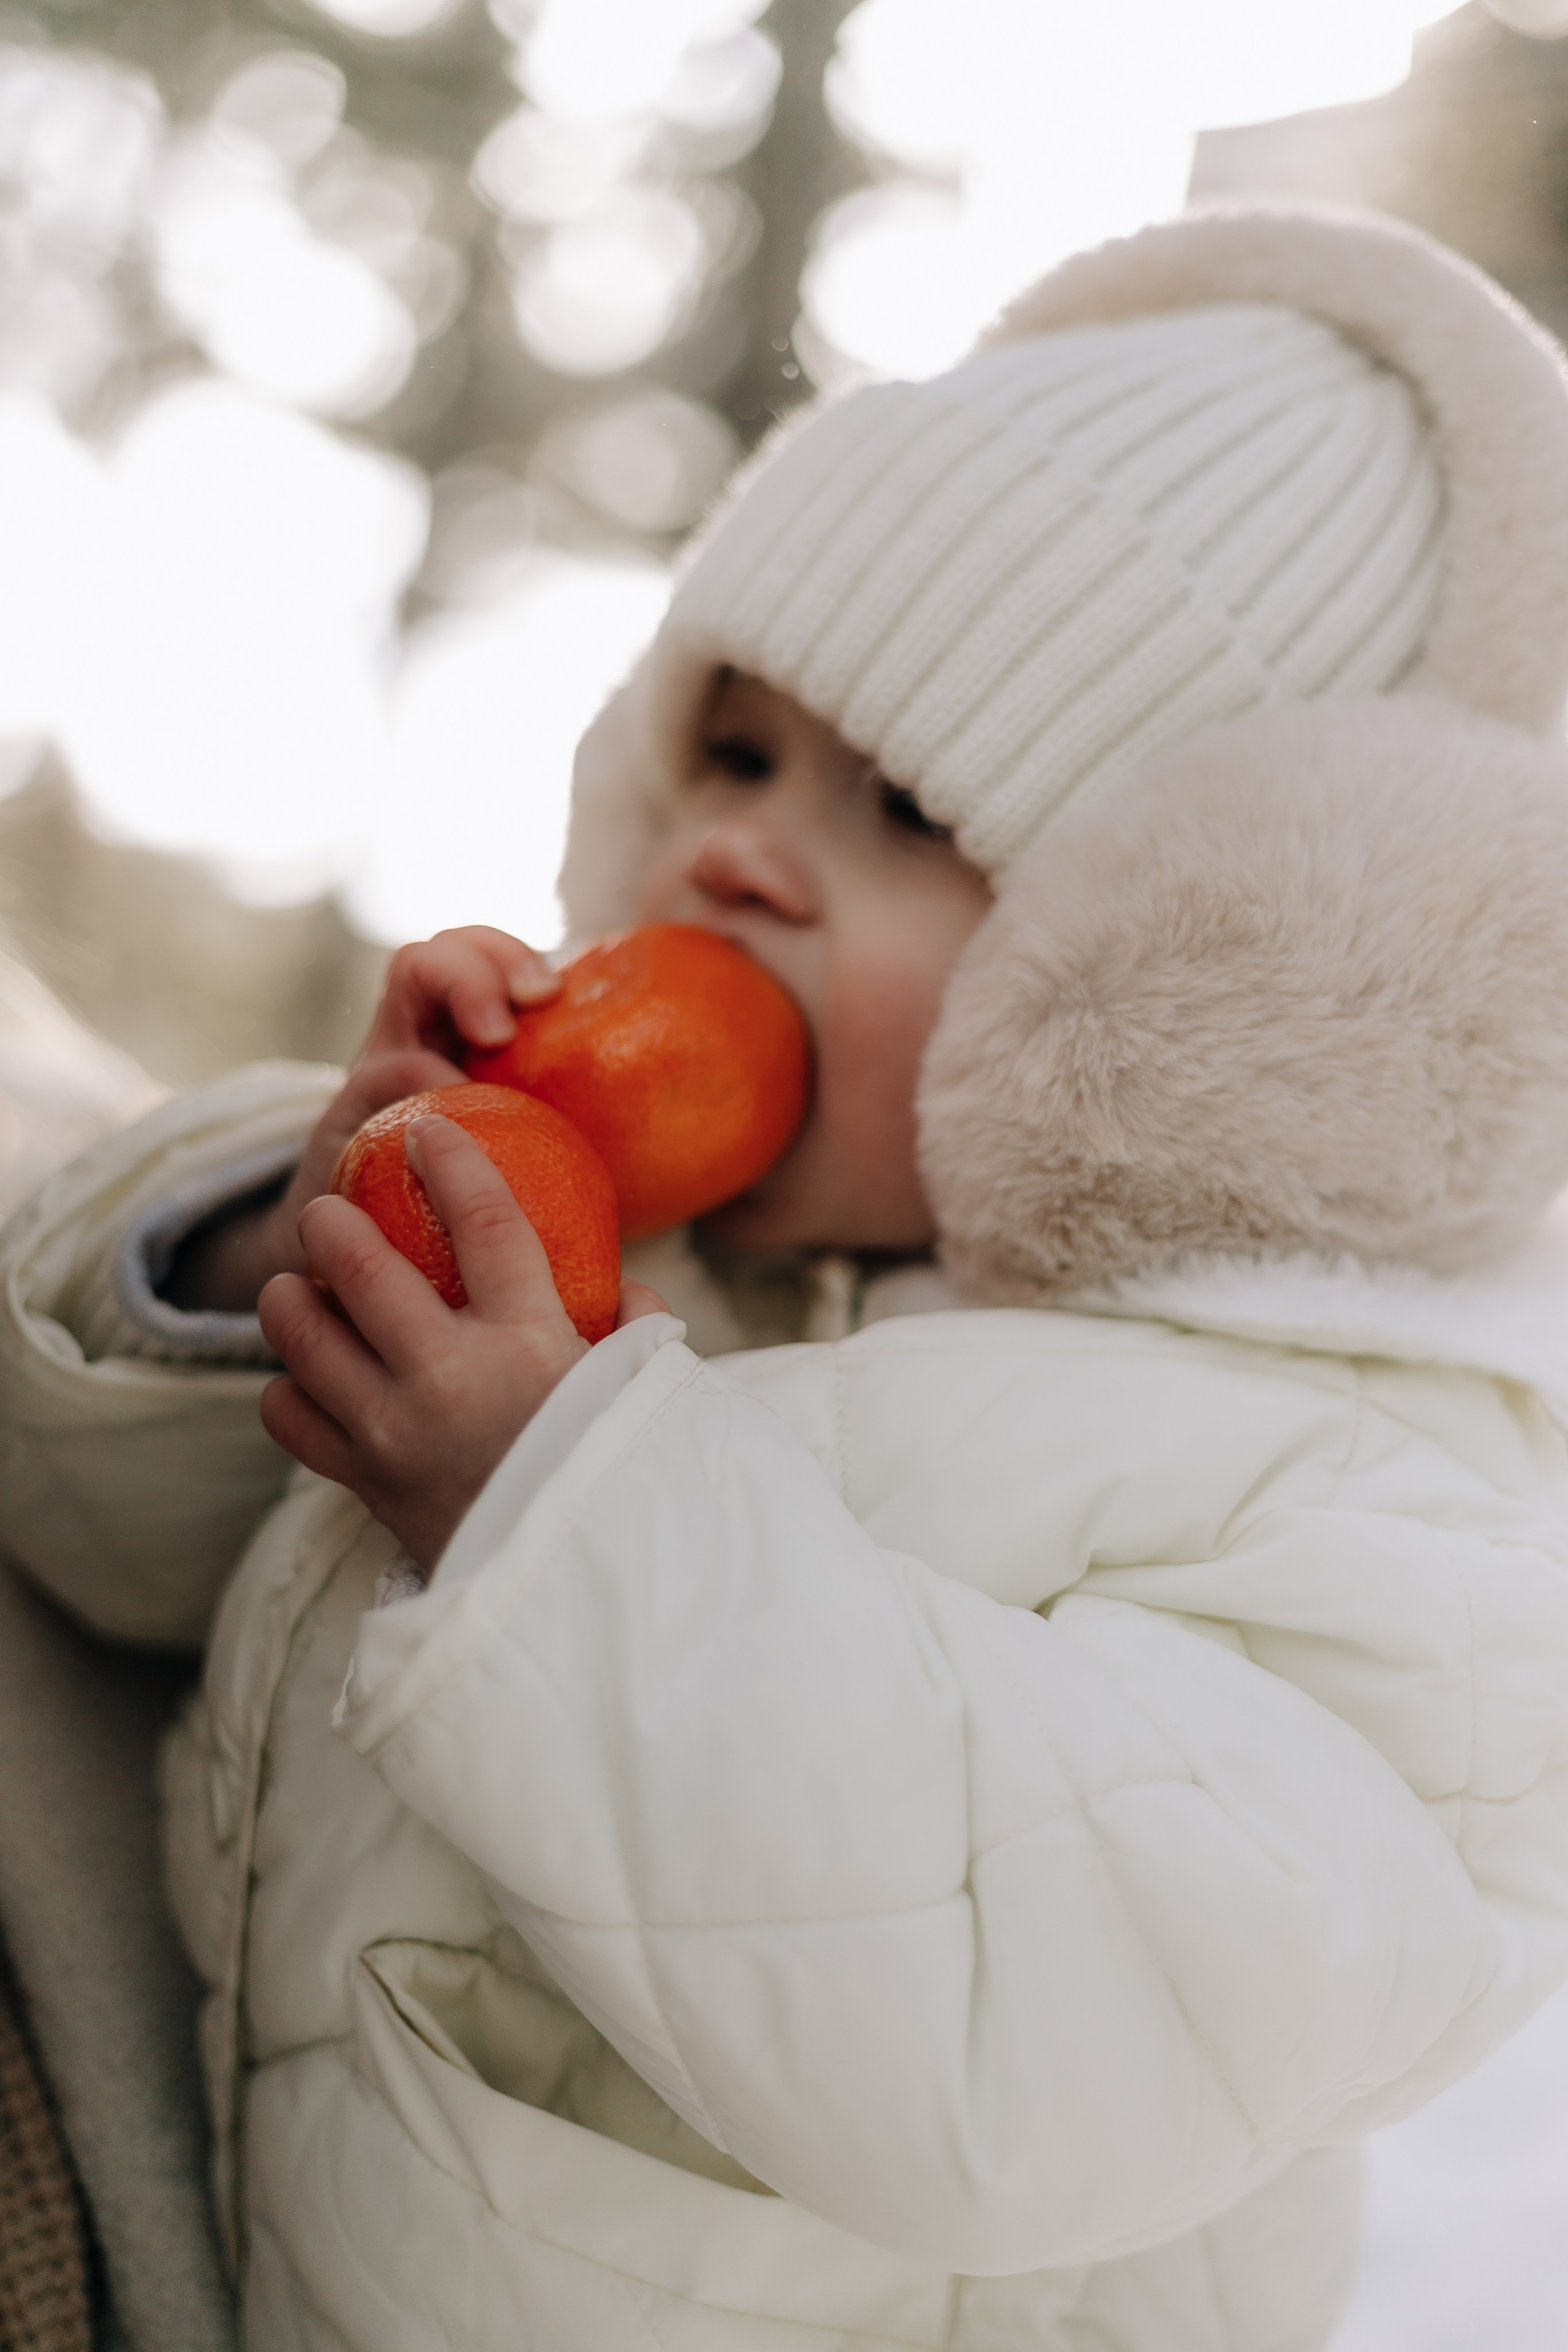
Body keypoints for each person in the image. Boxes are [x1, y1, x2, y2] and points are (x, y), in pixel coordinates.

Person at [6, 203, 1568, 2351]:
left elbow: (1053, 2037)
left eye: (909, 803)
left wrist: (555, 1521)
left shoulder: (1367, 1506)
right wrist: (293, 1247)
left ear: (1208, 961)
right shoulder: (629, 1280)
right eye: (730, 754)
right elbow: (88, 1547)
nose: (730, 847)